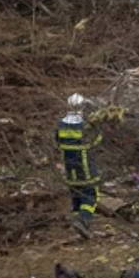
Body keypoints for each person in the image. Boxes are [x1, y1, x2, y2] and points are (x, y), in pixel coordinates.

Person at [56, 94, 101, 238]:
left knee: (76, 195)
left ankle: (77, 225)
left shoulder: (60, 124)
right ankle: (84, 220)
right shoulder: (85, 124)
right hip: (84, 166)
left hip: (69, 168)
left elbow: (57, 141)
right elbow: (96, 140)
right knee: (91, 195)